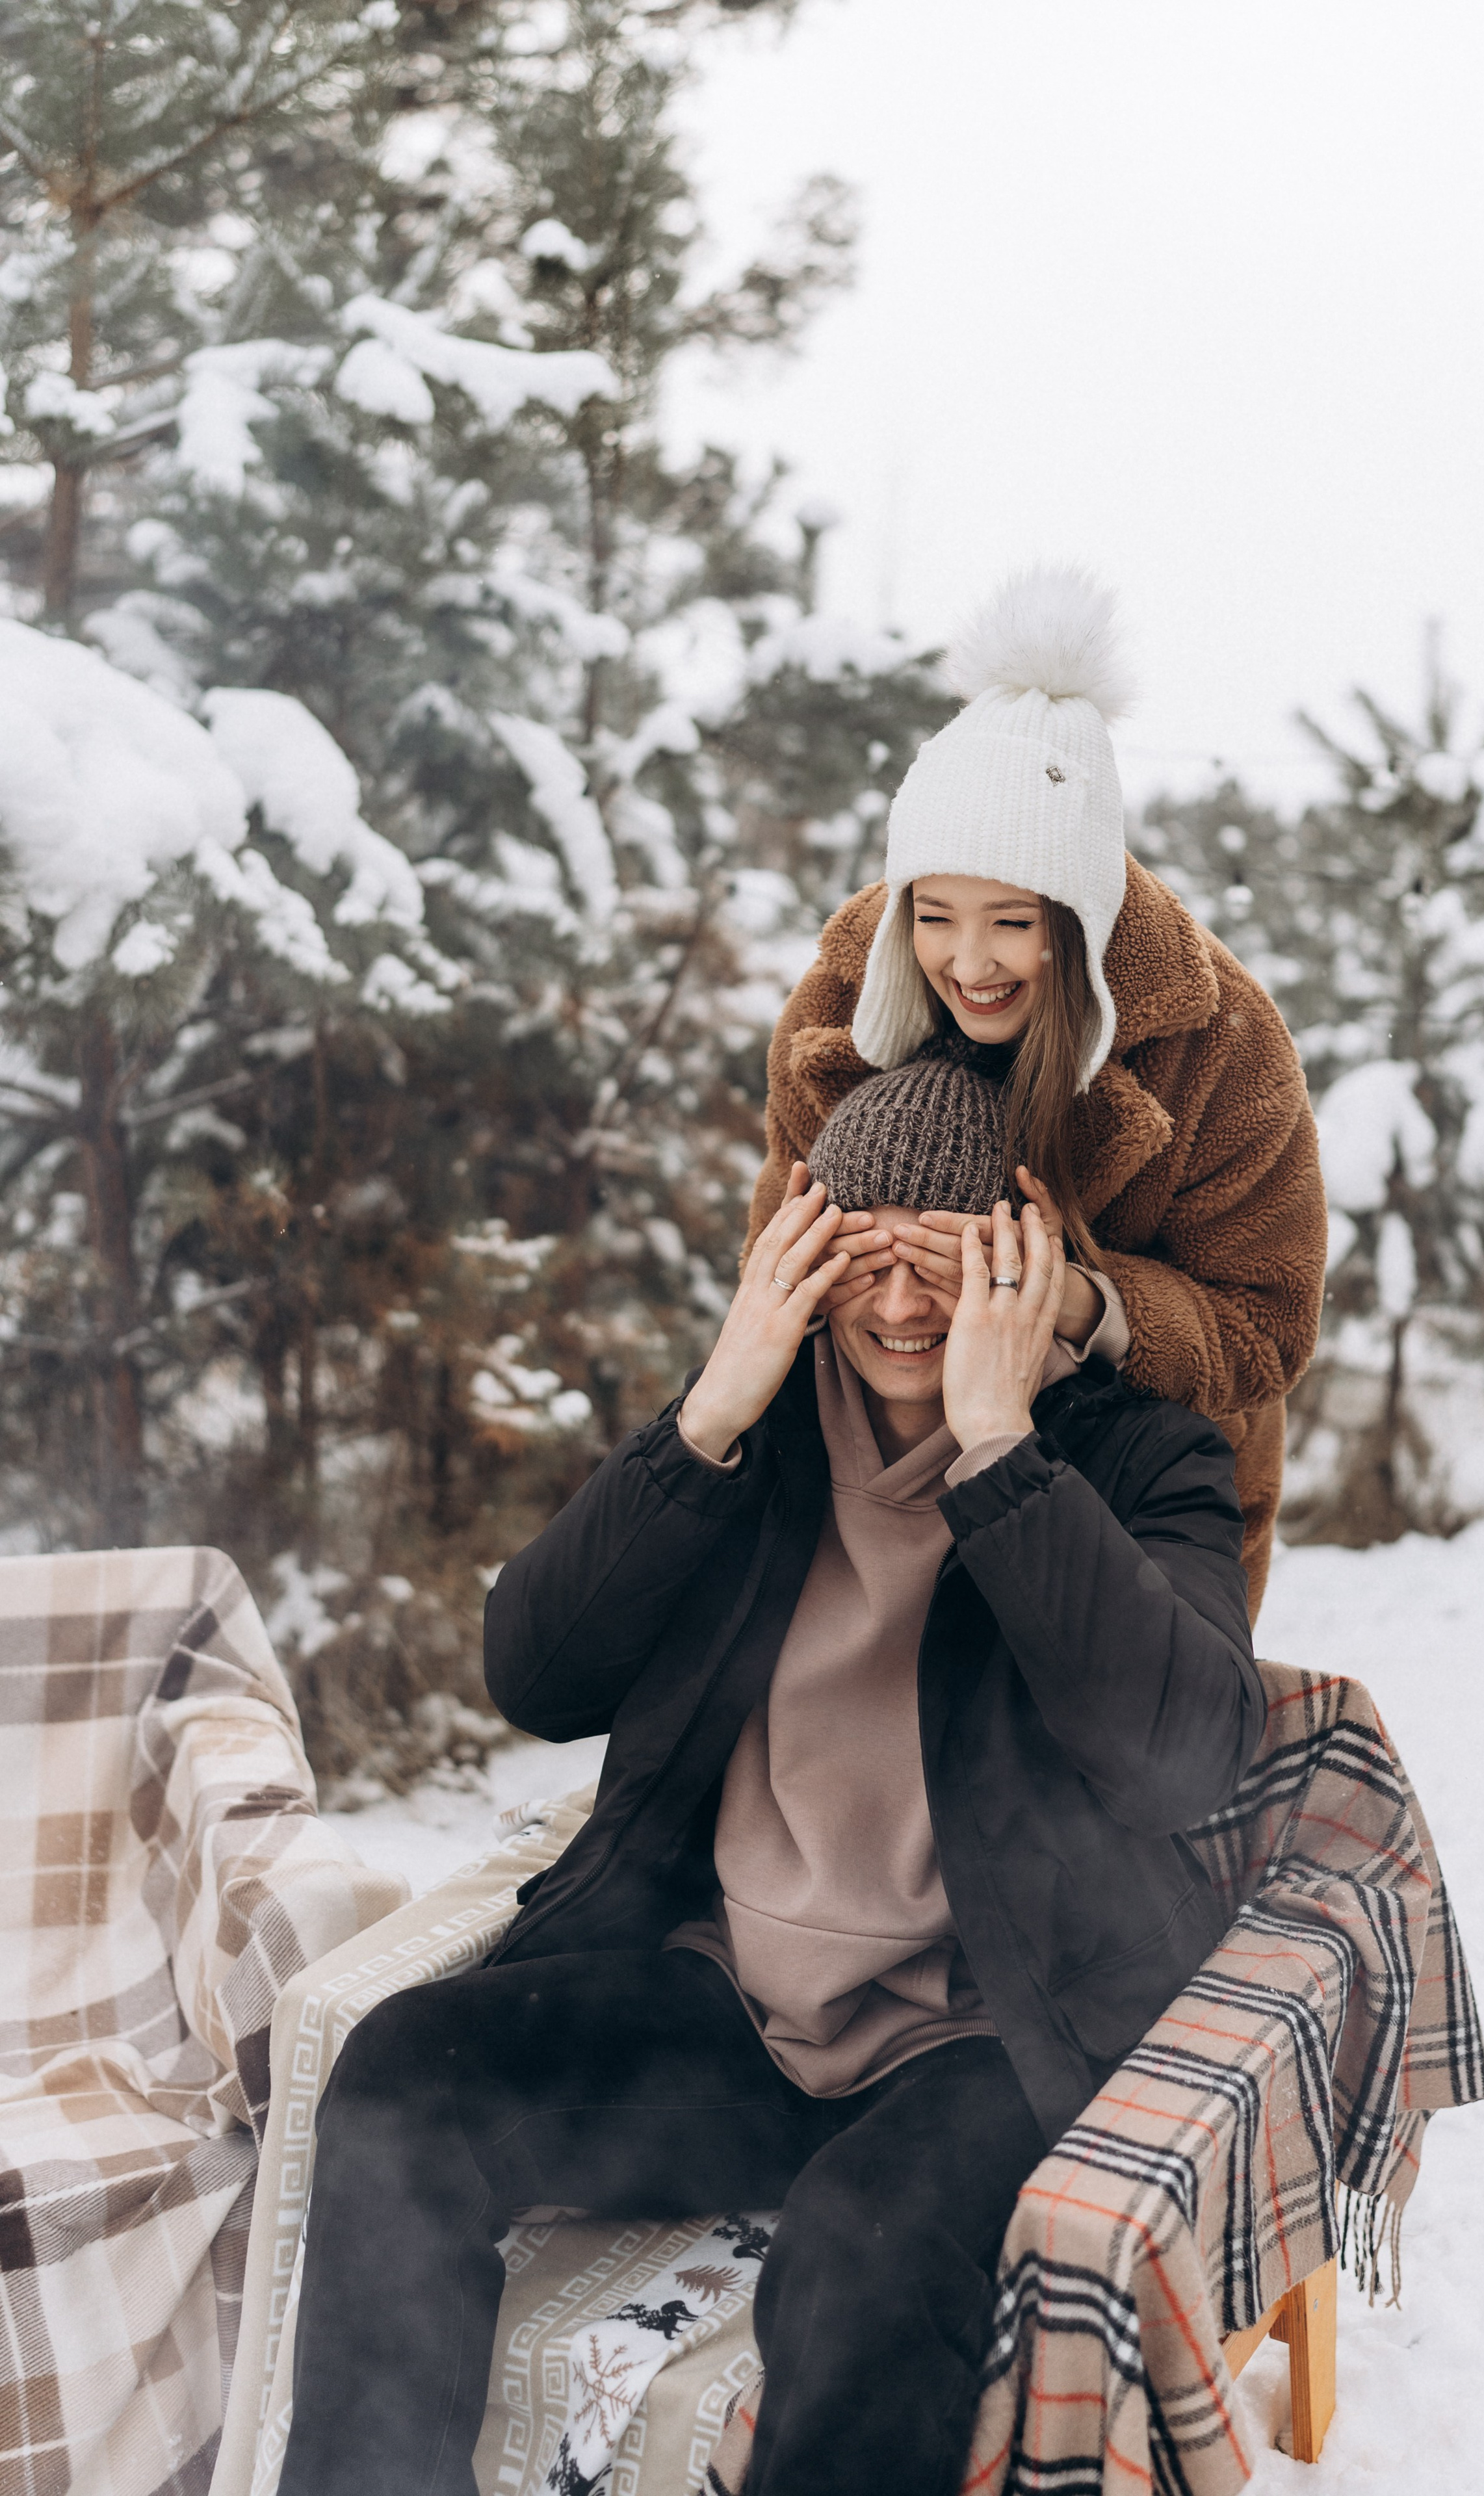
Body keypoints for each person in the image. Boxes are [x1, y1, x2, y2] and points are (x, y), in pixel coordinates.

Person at [274, 1050, 1265, 2496]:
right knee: (397, 2076)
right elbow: (532, 1677)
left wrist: (999, 1449)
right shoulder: (759, 1432)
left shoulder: (1139, 1460)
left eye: (948, 1262)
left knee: (862, 2249)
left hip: (989, 2033)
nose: (902, 1305)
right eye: (861, 1261)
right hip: (728, 2012)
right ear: (801, 1259)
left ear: (1024, 1256)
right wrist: (705, 1418)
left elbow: (1185, 1754)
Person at [748, 564, 1328, 1615]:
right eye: (935, 915)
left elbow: (1267, 1333)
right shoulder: (842, 1000)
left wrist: (1084, 1304)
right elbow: (776, 1252)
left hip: (1139, 1507)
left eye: (1012, 922)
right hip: (877, 1489)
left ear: (1079, 910)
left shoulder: (1221, 1047)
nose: (969, 962)